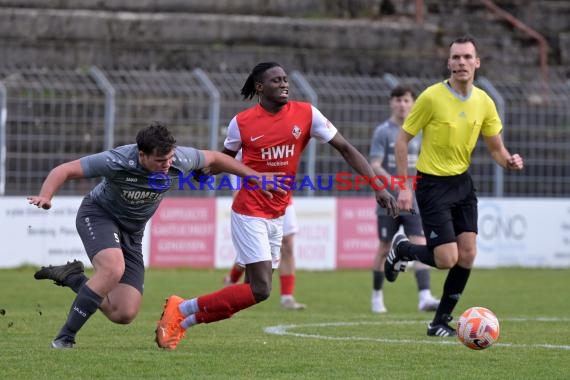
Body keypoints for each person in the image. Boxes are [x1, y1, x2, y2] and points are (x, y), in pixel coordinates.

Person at [155, 61, 399, 350]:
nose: (284, 84)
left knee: (255, 292)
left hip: (278, 213)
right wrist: (198, 169)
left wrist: (377, 186)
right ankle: (180, 312)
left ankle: (181, 320)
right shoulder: (242, 122)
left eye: (285, 80)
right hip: (249, 212)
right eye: (276, 80)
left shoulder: (307, 114)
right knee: (260, 288)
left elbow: (346, 148)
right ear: (260, 87)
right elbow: (225, 159)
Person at [30, 122, 283, 349]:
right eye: (161, 161)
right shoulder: (117, 160)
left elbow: (216, 158)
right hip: (99, 215)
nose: (168, 165)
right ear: (142, 155)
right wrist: (46, 196)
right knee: (112, 269)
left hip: (133, 232)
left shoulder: (180, 160)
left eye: (170, 158)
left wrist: (256, 177)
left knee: (123, 313)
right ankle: (64, 339)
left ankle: (74, 278)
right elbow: (64, 169)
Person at [386, 36, 524, 337]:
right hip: (431, 184)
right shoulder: (431, 97)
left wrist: (509, 161)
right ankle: (403, 248)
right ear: (448, 63)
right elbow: (401, 140)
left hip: (462, 183)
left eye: (467, 57)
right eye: (456, 57)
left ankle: (439, 323)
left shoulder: (485, 102)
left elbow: (496, 149)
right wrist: (404, 187)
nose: (461, 62)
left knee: (468, 254)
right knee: (446, 259)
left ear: (477, 62)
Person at [369, 85, 440, 313]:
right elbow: (375, 165)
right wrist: (398, 185)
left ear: (413, 103)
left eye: (407, 100)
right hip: (389, 200)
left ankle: (424, 297)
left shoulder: (420, 130)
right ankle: (377, 297)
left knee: (421, 244)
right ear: (391, 103)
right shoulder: (383, 131)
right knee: (383, 247)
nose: (402, 104)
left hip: (414, 200)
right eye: (398, 100)